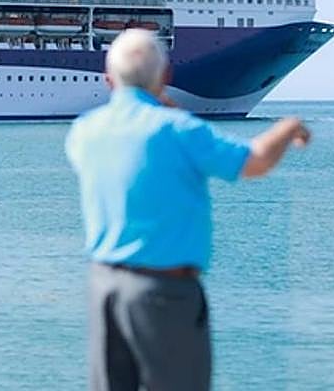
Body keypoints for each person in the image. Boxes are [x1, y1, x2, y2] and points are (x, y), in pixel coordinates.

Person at [65, 28, 311, 391]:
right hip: (164, 291)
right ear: (166, 76)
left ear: (107, 78)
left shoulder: (84, 132)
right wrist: (288, 127)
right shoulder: (181, 130)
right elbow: (254, 162)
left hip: (104, 287)